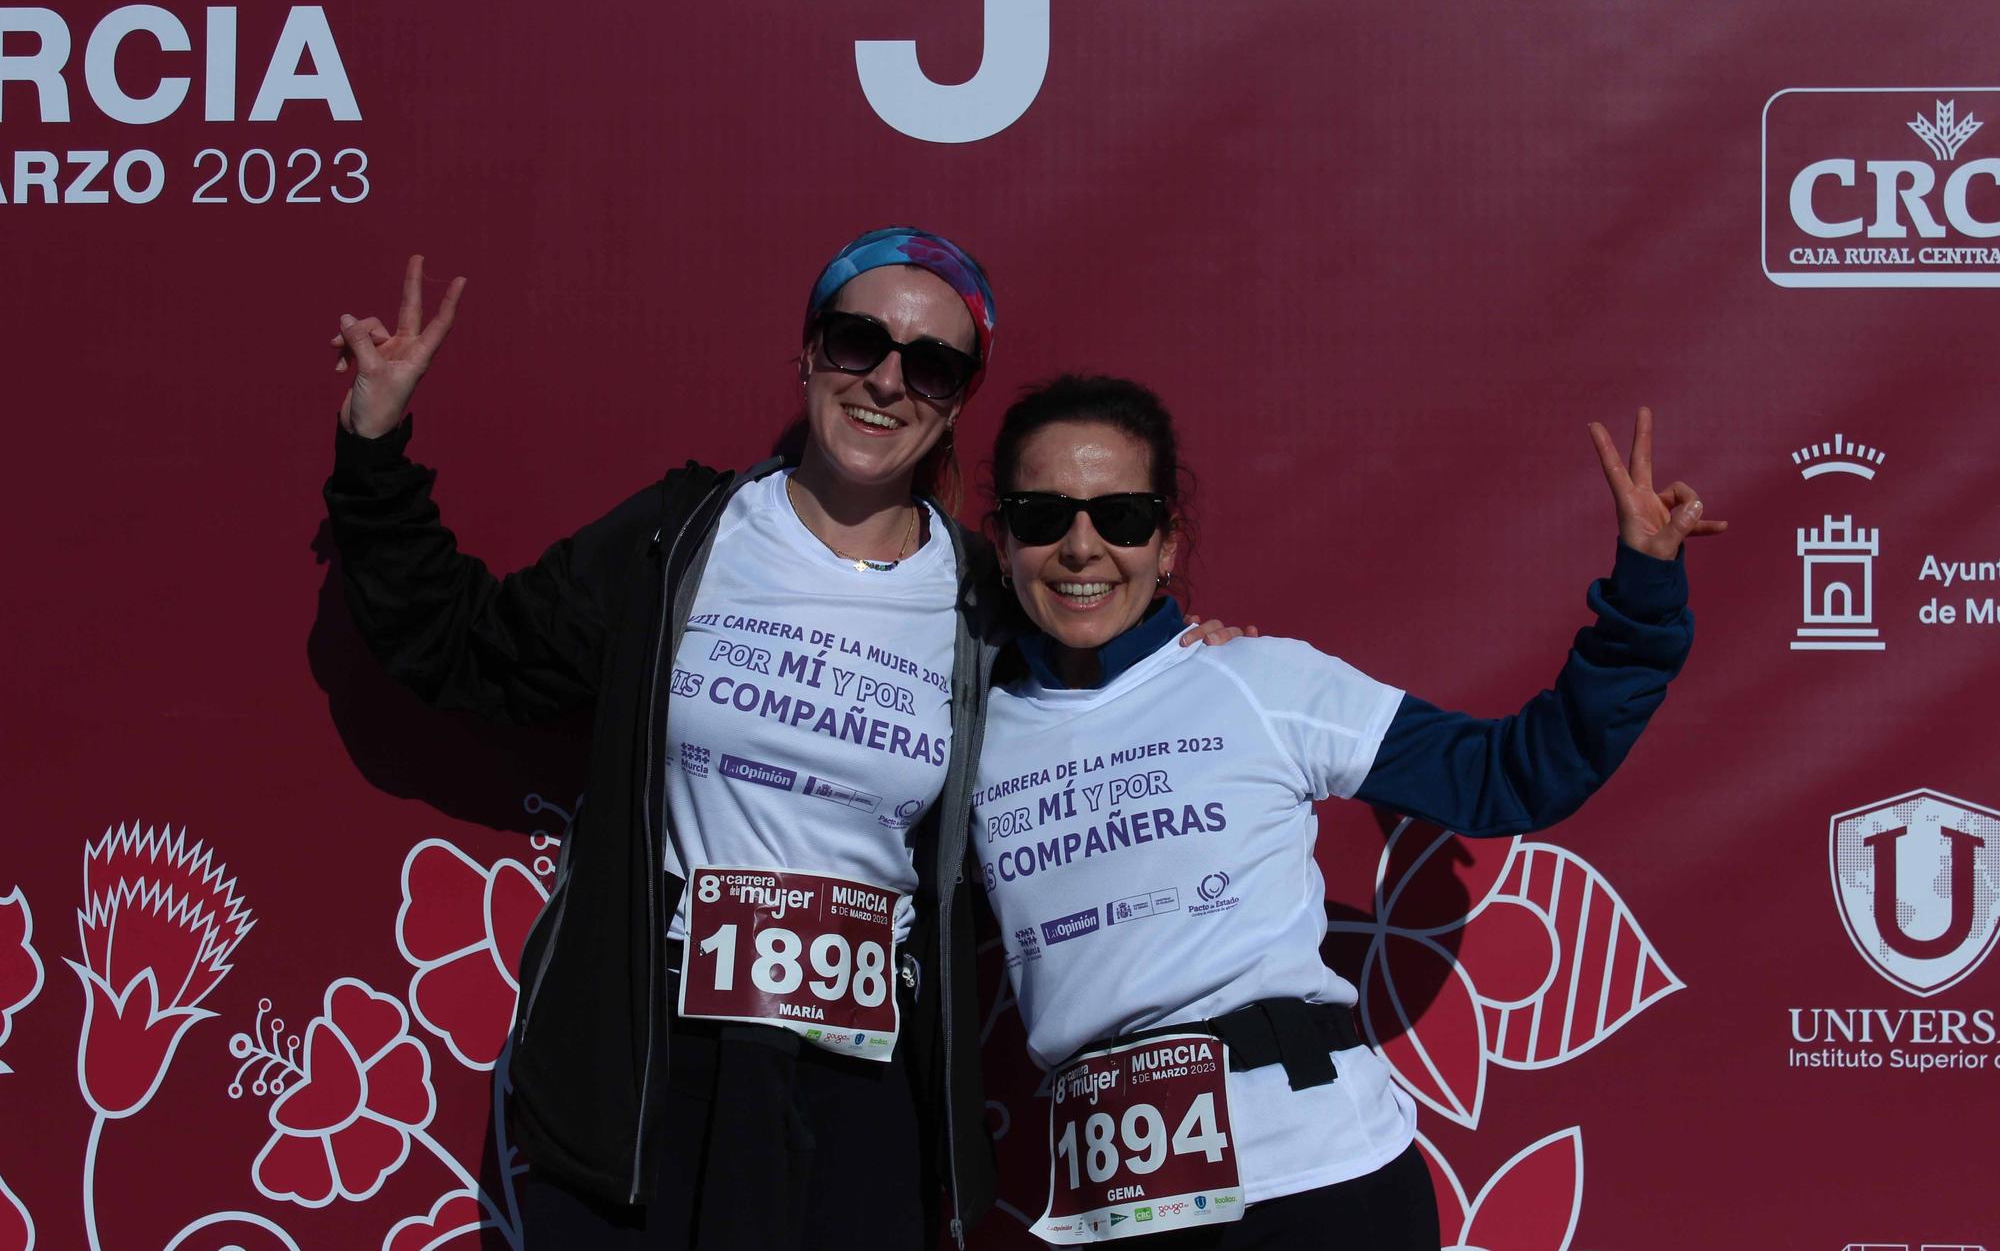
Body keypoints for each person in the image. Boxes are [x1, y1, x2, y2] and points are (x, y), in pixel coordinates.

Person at [322, 230, 1020, 1249]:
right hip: (655, 1067)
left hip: (859, 1087)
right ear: (806, 352)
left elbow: (1090, 735)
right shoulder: (684, 534)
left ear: (957, 398)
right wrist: (373, 445)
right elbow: (471, 648)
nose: (885, 379)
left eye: (931, 363)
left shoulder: (979, 601)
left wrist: (1191, 655)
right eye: (855, 340)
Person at [968, 376, 1724, 1247]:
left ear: (1168, 541)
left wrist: (1644, 597)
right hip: (1111, 1211)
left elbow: (1513, 775)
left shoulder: (1260, 681)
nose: (1081, 546)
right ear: (1003, 538)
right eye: (1042, 516)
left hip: (1316, 1186)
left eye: (1122, 518)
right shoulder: (974, 734)